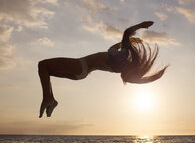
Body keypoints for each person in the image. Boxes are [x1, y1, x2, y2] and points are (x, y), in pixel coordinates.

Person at [38, 21, 168, 118]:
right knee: (46, 70)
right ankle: (51, 100)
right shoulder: (122, 63)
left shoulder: (122, 58)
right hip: (82, 71)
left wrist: (141, 25)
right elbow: (113, 49)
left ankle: (47, 99)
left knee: (43, 65)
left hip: (81, 65)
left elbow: (126, 33)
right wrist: (126, 44)